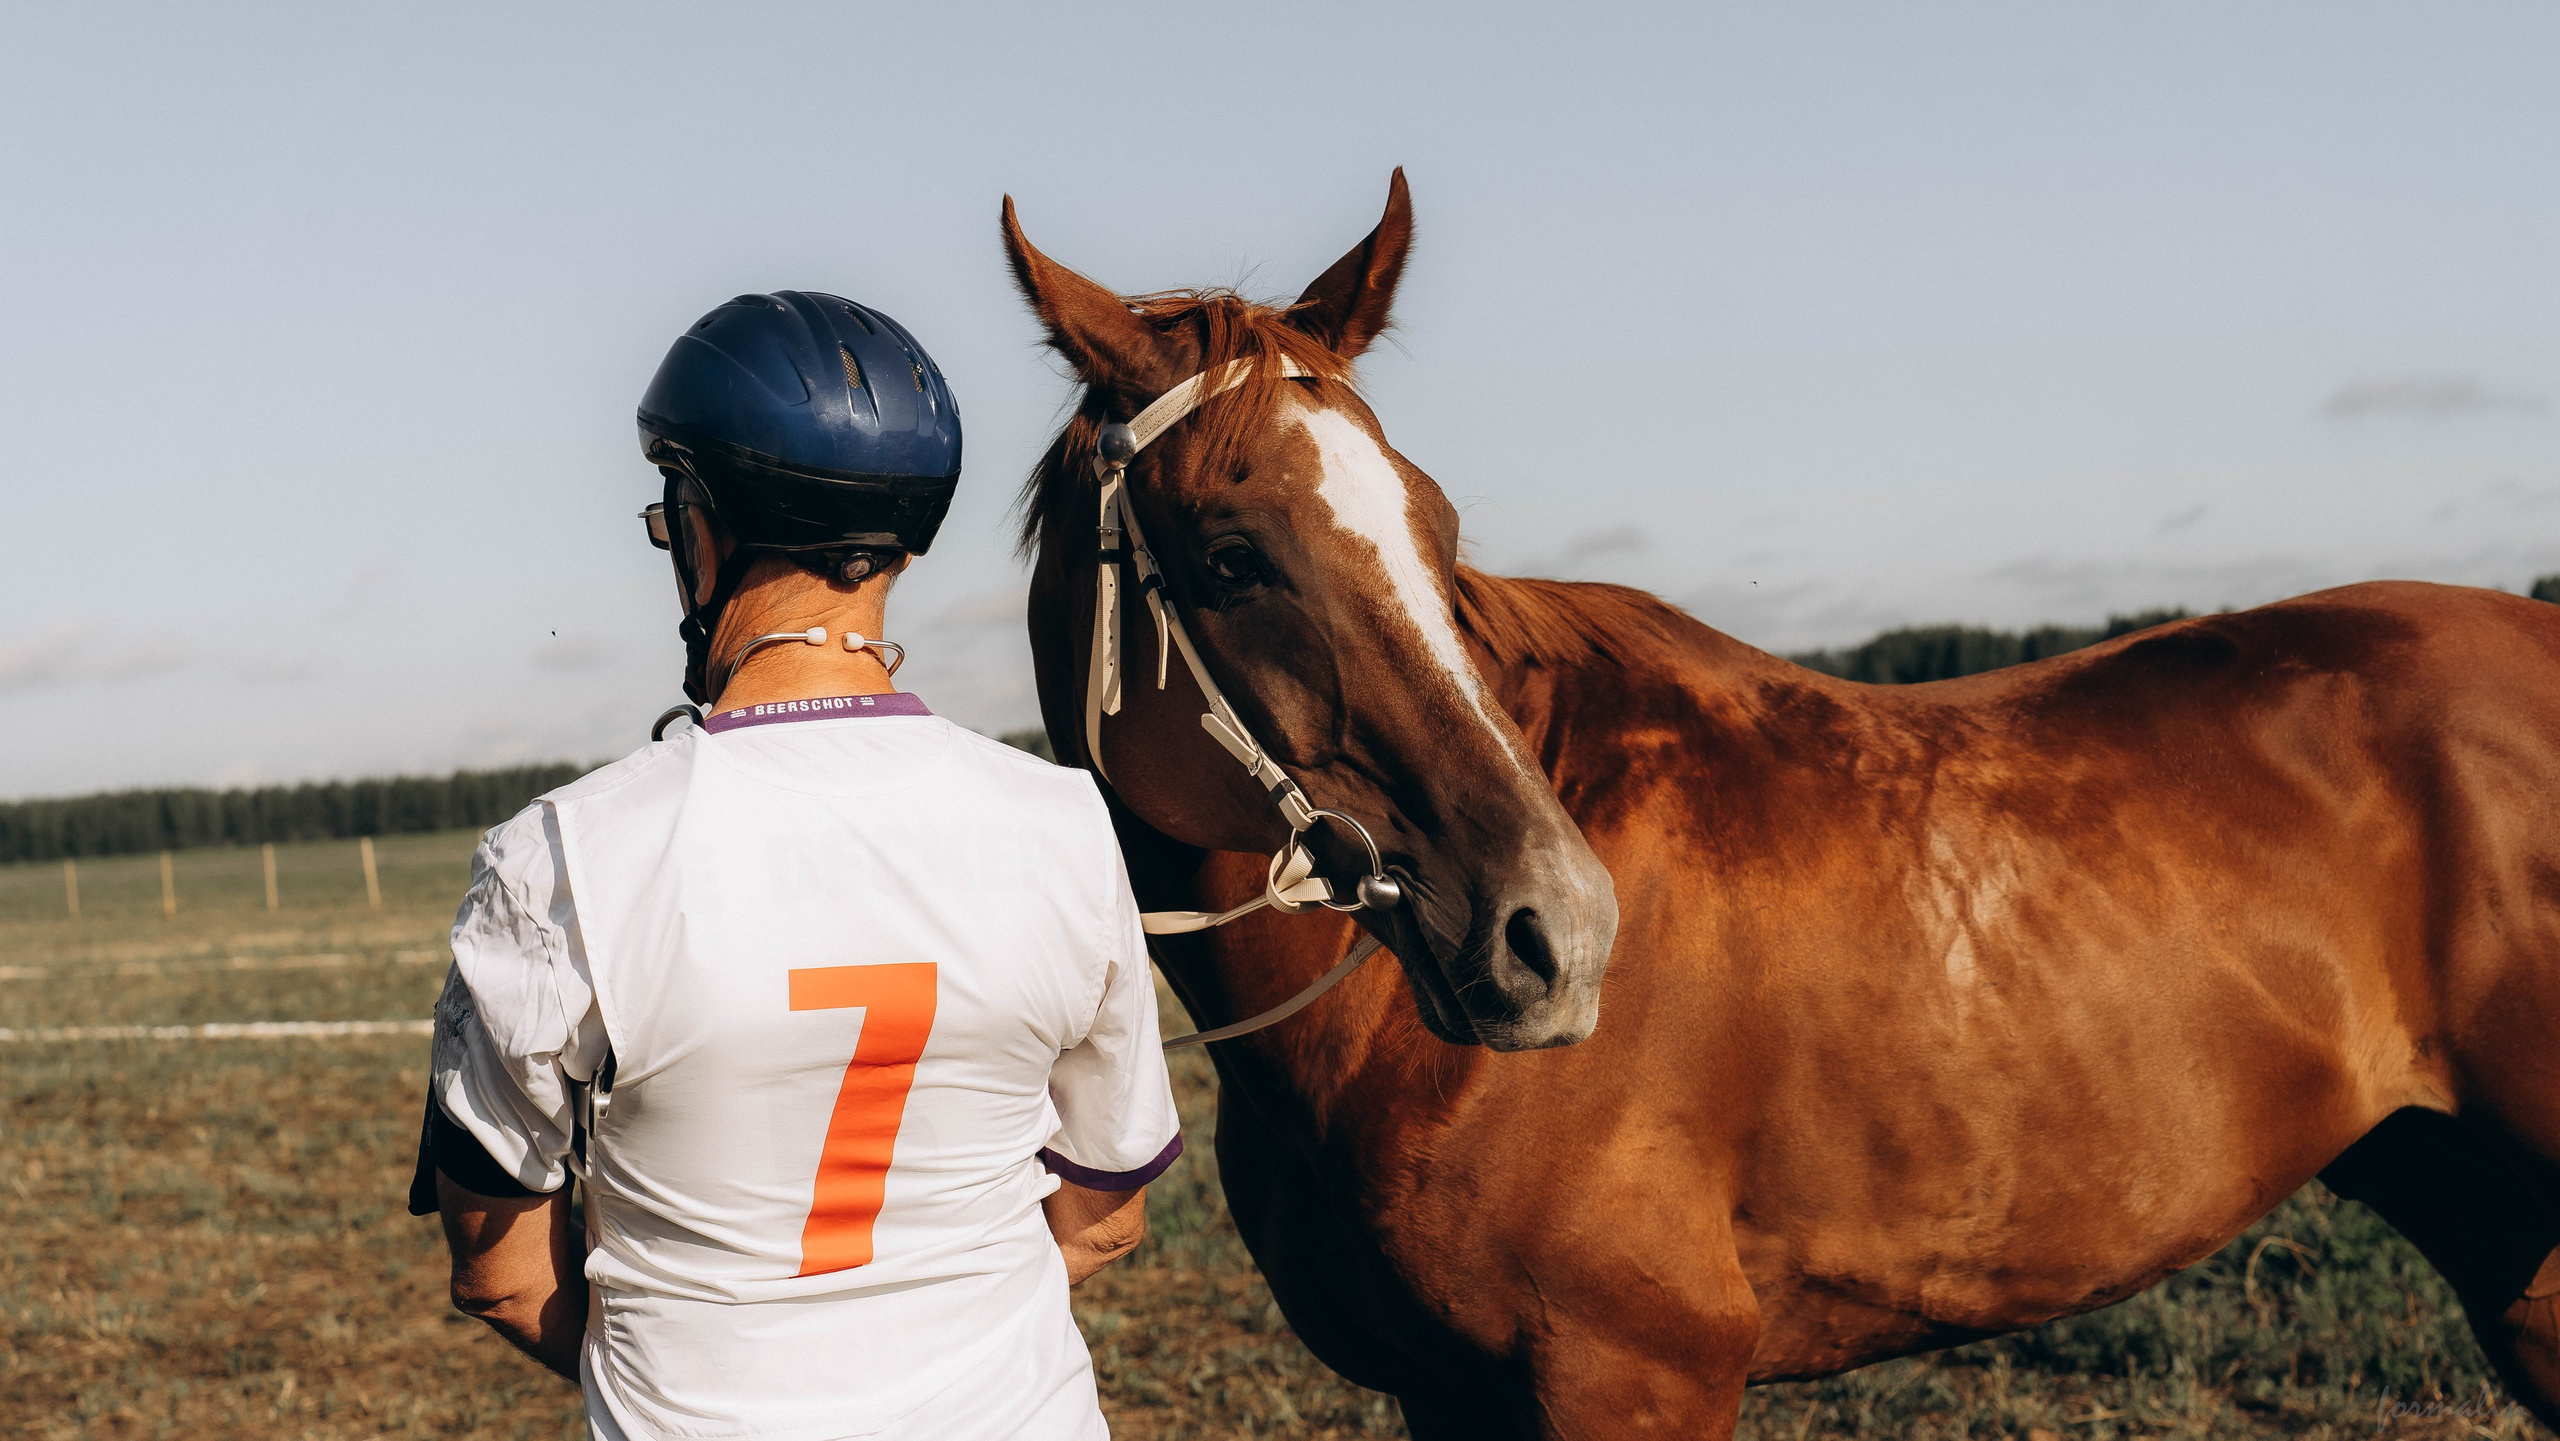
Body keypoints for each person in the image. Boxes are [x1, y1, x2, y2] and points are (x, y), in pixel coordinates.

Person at [405, 290, 1181, 1440]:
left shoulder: (556, 860)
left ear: (701, 524)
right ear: (905, 542)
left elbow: (503, 1272)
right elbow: (1107, 1210)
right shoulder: (1066, 823)